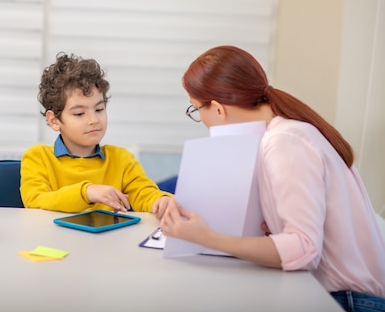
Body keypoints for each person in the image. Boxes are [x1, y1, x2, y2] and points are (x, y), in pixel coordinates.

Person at [160, 45, 385, 312]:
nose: (201, 119)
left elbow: (303, 249)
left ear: (218, 109)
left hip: (349, 301)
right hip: (340, 294)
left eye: (196, 110)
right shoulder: (285, 131)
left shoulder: (284, 142)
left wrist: (208, 238)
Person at [20, 52, 172, 218]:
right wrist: (86, 192)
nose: (93, 120)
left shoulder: (121, 159)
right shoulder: (38, 158)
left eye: (99, 109)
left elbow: (144, 193)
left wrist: (161, 200)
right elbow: (35, 201)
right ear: (54, 120)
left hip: (108, 242)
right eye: (79, 113)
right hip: (55, 242)